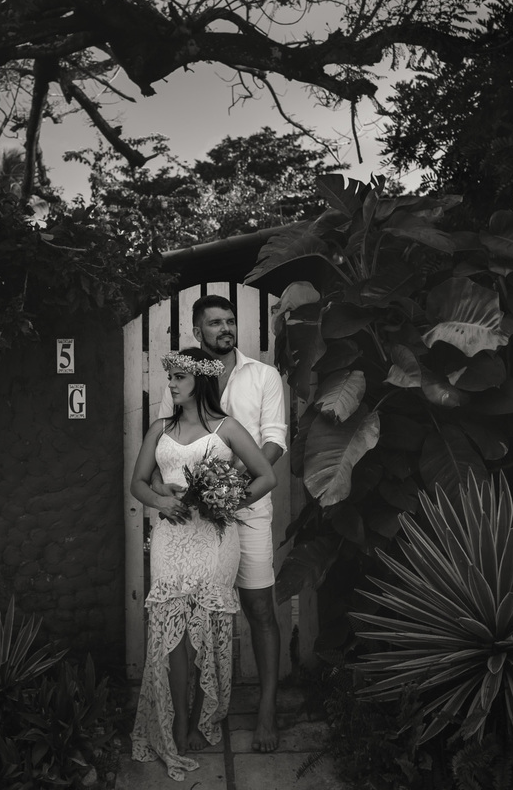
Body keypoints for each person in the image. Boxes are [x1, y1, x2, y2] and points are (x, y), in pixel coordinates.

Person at [130, 348, 277, 781]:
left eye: (178, 377)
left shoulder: (227, 428)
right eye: (170, 378)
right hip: (171, 538)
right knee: (172, 631)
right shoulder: (159, 429)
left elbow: (265, 476)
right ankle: (176, 722)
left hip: (214, 539)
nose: (171, 385)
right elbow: (137, 483)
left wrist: (228, 502)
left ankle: (198, 719)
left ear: (199, 381)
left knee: (203, 632)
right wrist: (161, 500)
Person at [154, 295, 287, 753]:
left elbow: (274, 443)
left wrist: (227, 491)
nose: (225, 329)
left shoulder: (263, 376)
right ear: (197, 332)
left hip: (248, 513)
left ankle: (267, 711)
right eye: (214, 323)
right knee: (192, 620)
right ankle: (193, 715)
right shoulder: (182, 373)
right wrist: (166, 495)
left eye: (230, 321)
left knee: (259, 609)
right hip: (191, 523)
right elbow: (166, 440)